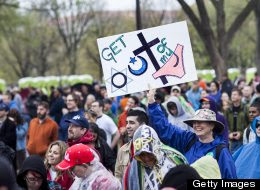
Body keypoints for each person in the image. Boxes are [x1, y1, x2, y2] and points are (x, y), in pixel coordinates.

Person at [147, 89, 236, 179]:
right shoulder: (188, 139)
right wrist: (152, 104)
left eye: (201, 122)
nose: (197, 125)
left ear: (211, 125)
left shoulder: (221, 151)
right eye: (194, 122)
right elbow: (166, 129)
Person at [123, 125, 188, 190]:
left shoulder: (174, 160)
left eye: (149, 154)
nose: (146, 158)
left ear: (156, 148)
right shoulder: (132, 170)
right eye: (142, 155)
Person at [56, 143, 121, 190]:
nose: (70, 171)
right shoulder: (83, 177)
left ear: (84, 166)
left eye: (72, 168)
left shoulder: (105, 182)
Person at [115, 107, 149, 181]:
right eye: (127, 122)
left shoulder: (152, 149)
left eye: (132, 123)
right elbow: (118, 176)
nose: (127, 126)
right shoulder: (122, 150)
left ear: (143, 125)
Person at [224, 88, 249, 153]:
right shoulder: (228, 109)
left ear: (240, 96)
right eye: (232, 94)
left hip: (243, 139)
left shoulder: (246, 108)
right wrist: (229, 134)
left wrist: (241, 133)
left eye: (235, 94)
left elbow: (250, 123)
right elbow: (225, 124)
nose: (232, 96)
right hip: (231, 139)